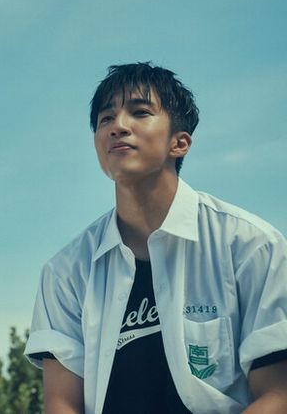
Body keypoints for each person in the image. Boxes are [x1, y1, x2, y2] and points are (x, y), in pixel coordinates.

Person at [24, 63, 287, 413]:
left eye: (140, 112)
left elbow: (278, 395)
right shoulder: (65, 271)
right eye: (105, 118)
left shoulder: (251, 246)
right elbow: (62, 404)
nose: (118, 126)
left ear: (180, 143)